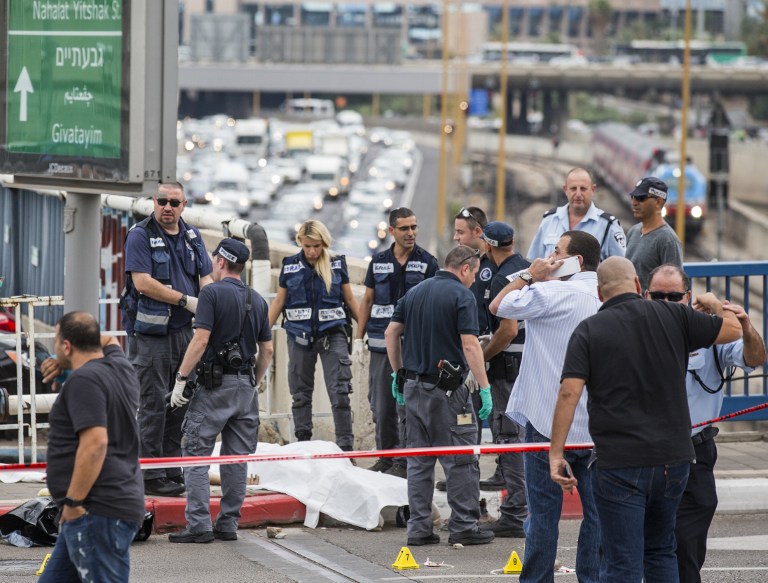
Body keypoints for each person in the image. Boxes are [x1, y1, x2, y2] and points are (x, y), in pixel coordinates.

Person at [550, 257, 743, 583]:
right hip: (674, 462)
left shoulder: (589, 330)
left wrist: (556, 455)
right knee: (661, 551)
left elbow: (569, 393)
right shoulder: (676, 315)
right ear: (639, 287)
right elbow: (735, 328)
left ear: (599, 293)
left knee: (622, 561)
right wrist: (712, 303)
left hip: (620, 464)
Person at [489, 230, 603, 583]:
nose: (550, 256)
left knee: (542, 516)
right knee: (598, 517)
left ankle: (538, 579)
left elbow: (498, 306)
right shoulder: (608, 295)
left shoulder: (550, 290)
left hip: (546, 421)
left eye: (557, 252)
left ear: (575, 261)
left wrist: (530, 274)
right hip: (597, 427)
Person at [645, 264, 766, 583]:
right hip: (646, 452)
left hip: (693, 450)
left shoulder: (709, 331)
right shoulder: (636, 329)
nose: (667, 303)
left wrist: (731, 316)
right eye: (659, 296)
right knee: (642, 547)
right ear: (646, 295)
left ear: (688, 297)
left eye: (674, 296)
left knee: (686, 547)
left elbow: (754, 358)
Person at [385, 245, 495, 547]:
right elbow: (471, 345)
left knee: (419, 463)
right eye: (473, 273)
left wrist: (398, 373)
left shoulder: (416, 292)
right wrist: (485, 388)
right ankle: (463, 526)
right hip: (447, 393)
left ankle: (419, 529)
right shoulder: (462, 296)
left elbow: (391, 333)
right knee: (460, 460)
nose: (473, 279)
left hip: (413, 390)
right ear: (465, 268)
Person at [168, 238, 274, 543]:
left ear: (220, 262)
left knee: (196, 452)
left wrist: (181, 380)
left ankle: (199, 525)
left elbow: (200, 341)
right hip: (246, 387)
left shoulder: (211, 293)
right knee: (236, 458)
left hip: (215, 386)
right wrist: (253, 380)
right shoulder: (257, 299)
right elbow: (266, 349)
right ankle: (228, 524)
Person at [120, 181, 213, 497]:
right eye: (162, 201)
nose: (168, 207)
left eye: (174, 202)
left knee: (180, 402)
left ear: (184, 204)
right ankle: (150, 474)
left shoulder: (191, 236)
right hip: (152, 338)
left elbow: (207, 278)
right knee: (153, 403)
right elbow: (143, 282)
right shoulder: (140, 235)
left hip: (186, 334)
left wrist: (211, 306)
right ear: (154, 203)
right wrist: (186, 301)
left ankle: (172, 469)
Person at [40, 312, 144, 582]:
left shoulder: (84, 380)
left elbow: (95, 443)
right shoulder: (120, 368)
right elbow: (108, 339)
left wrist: (73, 502)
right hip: (95, 511)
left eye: (57, 340)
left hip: (95, 511)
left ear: (66, 346)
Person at [354, 207, 438, 478]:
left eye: (414, 227)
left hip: (412, 347)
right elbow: (367, 300)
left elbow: (434, 301)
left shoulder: (428, 262)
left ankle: (405, 457)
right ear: (392, 231)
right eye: (404, 228)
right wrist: (358, 337)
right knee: (381, 404)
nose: (411, 233)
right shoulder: (377, 261)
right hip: (379, 344)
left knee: (408, 404)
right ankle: (386, 456)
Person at [268, 220, 359, 449]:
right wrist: (260, 334)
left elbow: (350, 300)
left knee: (340, 393)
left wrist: (364, 333)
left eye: (317, 246)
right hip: (299, 337)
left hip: (333, 335)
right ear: (300, 242)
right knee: (300, 394)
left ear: (324, 244)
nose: (312, 251)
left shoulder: (337, 264)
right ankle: (303, 445)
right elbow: (279, 301)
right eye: (307, 246)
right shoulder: (289, 265)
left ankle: (346, 449)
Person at [476, 222, 529, 538]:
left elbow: (507, 330)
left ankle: (515, 512)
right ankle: (520, 508)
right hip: (527, 364)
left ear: (489, 245)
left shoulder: (500, 279)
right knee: (524, 437)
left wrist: (481, 358)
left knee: (509, 439)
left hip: (507, 367)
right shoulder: (524, 268)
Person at [452, 206, 500, 488]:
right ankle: (466, 473)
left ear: (478, 233)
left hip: (488, 350)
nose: (456, 237)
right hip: (469, 352)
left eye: (461, 232)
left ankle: (503, 471)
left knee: (496, 419)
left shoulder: (490, 267)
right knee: (468, 421)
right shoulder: (463, 265)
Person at [527, 167, 626, 262]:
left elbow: (621, 267)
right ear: (565, 189)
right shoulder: (549, 220)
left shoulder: (608, 226)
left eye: (583, 189)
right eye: (573, 188)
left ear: (593, 189)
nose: (578, 194)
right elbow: (535, 262)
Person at [624, 176, 683, 291]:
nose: (634, 202)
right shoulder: (633, 231)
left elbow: (674, 286)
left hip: (651, 308)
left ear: (658, 202)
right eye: (633, 197)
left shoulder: (668, 240)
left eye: (641, 198)